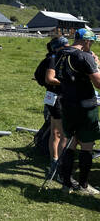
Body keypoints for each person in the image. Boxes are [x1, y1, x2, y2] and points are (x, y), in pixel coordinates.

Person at [57, 28, 100, 195]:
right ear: (87, 41)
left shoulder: (62, 53)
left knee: (70, 144)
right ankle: (83, 185)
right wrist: (96, 64)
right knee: (87, 146)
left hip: (67, 104)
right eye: (92, 42)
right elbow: (98, 83)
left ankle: (66, 183)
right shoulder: (84, 56)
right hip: (85, 106)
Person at [43, 36, 69, 177]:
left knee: (55, 132)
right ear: (60, 47)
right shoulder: (55, 58)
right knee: (61, 133)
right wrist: (68, 81)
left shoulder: (53, 57)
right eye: (66, 46)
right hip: (58, 99)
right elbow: (49, 78)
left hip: (52, 97)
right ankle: (58, 166)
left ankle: (54, 162)